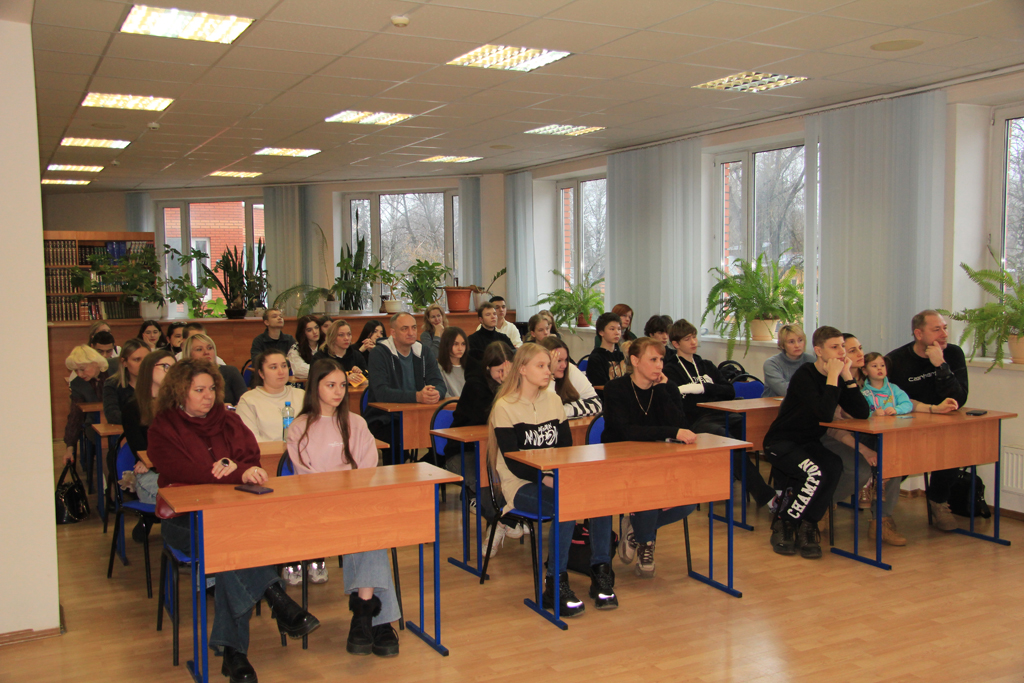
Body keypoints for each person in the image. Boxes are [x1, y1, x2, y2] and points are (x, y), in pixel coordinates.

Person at [148, 359, 320, 682]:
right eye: (199, 390)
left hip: (235, 518)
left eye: (211, 388)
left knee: (230, 549)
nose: (208, 396)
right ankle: (275, 598)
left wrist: (235, 467)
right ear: (179, 393)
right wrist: (233, 471)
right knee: (229, 545)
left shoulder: (228, 420)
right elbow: (184, 470)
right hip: (185, 521)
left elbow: (251, 458)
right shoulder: (163, 428)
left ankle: (234, 654)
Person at [286, 358, 401, 657]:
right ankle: (381, 621)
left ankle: (363, 614)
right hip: (318, 511)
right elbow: (306, 478)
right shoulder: (299, 427)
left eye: (342, 385)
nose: (338, 392)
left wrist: (350, 497)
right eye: (330, 385)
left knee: (369, 528)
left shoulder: (357, 423)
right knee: (370, 531)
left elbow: (367, 470)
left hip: (355, 505)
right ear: (315, 387)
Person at [489, 343, 615, 615]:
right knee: (564, 505)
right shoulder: (505, 406)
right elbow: (513, 462)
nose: (550, 371)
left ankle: (601, 572)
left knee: (600, 498)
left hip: (553, 478)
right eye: (541, 366)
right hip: (520, 484)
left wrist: (561, 476)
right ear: (522, 369)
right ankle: (554, 583)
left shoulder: (554, 400)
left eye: (549, 365)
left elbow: (565, 449)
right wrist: (546, 478)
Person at [763, 326, 870, 560]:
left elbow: (862, 412)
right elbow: (824, 413)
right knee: (814, 473)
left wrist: (847, 376)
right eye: (835, 347)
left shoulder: (839, 377)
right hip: (781, 442)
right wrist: (833, 377)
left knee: (833, 466)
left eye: (843, 346)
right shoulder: (805, 375)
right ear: (819, 351)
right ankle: (784, 523)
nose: (841, 352)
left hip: (808, 442)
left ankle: (809, 525)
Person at [602, 337, 699, 577]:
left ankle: (635, 529)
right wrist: (670, 432)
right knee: (649, 492)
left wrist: (663, 391)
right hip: (620, 461)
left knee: (688, 499)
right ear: (635, 361)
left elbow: (681, 425)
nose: (659, 365)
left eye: (661, 360)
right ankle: (646, 541)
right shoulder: (616, 388)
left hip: (658, 462)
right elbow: (626, 431)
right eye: (653, 359)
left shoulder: (667, 388)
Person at [662, 319, 776, 507]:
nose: (693, 342)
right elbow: (683, 403)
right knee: (729, 442)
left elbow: (729, 391)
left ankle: (781, 489)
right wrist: (710, 391)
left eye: (694, 337)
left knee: (761, 430)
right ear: (676, 344)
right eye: (687, 339)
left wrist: (701, 388)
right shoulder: (671, 369)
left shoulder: (706, 365)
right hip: (698, 421)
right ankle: (767, 497)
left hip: (723, 414)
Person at [886, 310, 968, 532]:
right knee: (898, 460)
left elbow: (959, 398)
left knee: (952, 449)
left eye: (945, 328)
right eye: (937, 329)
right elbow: (889, 399)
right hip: (907, 424)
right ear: (919, 334)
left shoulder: (953, 354)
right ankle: (882, 509)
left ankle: (938, 501)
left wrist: (941, 366)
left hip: (942, 423)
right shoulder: (896, 360)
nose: (944, 334)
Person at [823, 335, 906, 546]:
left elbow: (897, 397)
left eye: (860, 348)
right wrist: (863, 450)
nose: (860, 354)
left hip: (864, 436)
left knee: (892, 462)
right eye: (853, 351)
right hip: (833, 437)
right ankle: (823, 503)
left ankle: (881, 522)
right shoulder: (832, 380)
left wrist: (932, 408)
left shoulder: (867, 379)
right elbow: (833, 427)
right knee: (860, 469)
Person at [364, 313, 447, 463]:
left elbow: (439, 383)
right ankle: (400, 475)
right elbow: (381, 392)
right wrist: (417, 396)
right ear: (393, 333)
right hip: (385, 418)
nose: (411, 332)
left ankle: (420, 470)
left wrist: (436, 393)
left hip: (419, 415)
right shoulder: (379, 353)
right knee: (397, 441)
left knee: (447, 440)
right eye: (404, 329)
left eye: (414, 328)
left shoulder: (423, 351)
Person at [120, 349, 175, 541]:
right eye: (165, 366)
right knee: (178, 497)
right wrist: (148, 459)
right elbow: (141, 449)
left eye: (174, 367)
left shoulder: (180, 404)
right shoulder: (132, 407)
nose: (171, 372)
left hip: (175, 469)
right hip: (150, 473)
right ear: (149, 370)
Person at [236, 350, 306, 442]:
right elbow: (250, 441)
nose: (281, 372)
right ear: (261, 373)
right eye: (273, 367)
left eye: (284, 366)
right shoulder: (248, 400)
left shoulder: (301, 395)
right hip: (266, 450)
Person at [62, 345, 111, 464]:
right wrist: (69, 447)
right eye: (76, 371)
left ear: (95, 363)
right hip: (94, 424)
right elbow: (75, 415)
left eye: (82, 369)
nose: (79, 374)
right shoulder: (78, 384)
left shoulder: (113, 372)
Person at [539, 337, 601, 418]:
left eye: (565, 360)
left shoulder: (570, 369)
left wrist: (563, 409)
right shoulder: (532, 376)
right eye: (558, 361)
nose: (564, 365)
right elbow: (547, 410)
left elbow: (596, 404)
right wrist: (550, 375)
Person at [181, 333, 248, 405]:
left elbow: (246, 403)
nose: (206, 352)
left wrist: (232, 408)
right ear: (189, 354)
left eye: (209, 348)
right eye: (199, 349)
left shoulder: (230, 372)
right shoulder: (183, 377)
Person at [102, 338, 148, 425]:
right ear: (124, 362)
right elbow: (112, 416)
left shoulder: (157, 383)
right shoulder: (112, 384)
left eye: (146, 359)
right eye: (137, 359)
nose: (143, 364)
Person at [762, 324, 816, 397]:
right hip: (774, 403)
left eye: (800, 340)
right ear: (782, 345)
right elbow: (784, 390)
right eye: (791, 342)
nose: (797, 345)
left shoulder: (811, 360)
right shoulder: (771, 364)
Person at [313, 319, 368, 387]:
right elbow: (316, 381)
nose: (346, 338)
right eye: (341, 335)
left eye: (349, 334)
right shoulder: (320, 358)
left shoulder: (357, 356)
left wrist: (361, 377)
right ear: (332, 337)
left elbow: (368, 379)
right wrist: (344, 380)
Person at [586, 312, 626, 390]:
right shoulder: (596, 358)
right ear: (601, 332)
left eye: (619, 329)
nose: (617, 332)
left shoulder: (622, 355)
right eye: (612, 329)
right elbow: (597, 386)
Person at [437, 327, 470, 398]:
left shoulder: (470, 366)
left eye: (463, 344)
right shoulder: (439, 368)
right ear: (446, 345)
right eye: (455, 344)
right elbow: (443, 394)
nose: (460, 348)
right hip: (451, 404)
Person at [287, 315, 321, 380]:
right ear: (303, 333)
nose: (315, 332)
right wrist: (324, 370)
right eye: (309, 330)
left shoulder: (326, 345)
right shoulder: (296, 348)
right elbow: (299, 370)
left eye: (316, 328)